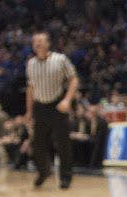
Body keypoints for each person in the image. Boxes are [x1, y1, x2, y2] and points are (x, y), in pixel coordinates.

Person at [26, 31, 78, 189]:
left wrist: (68, 99)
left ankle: (65, 177)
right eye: (35, 41)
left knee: (63, 143)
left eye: (40, 41)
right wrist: (28, 112)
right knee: (38, 144)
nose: (37, 44)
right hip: (40, 106)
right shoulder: (31, 63)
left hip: (57, 104)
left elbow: (74, 79)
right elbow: (30, 88)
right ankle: (44, 171)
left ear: (48, 43)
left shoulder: (60, 59)